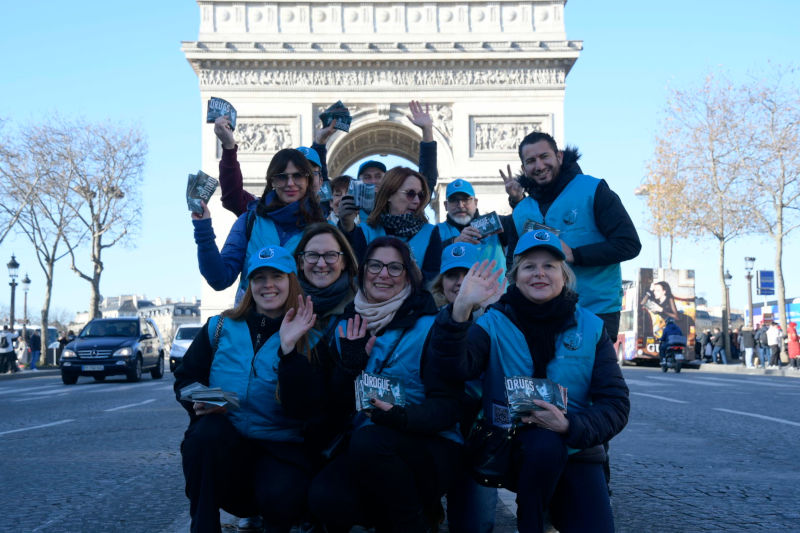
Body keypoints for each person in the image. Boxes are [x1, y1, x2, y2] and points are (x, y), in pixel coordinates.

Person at [428, 229, 630, 533]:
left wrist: (568, 425)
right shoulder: (492, 322)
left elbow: (615, 404)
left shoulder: (591, 327)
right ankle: (531, 521)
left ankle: (550, 509)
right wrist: (460, 311)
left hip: (576, 447)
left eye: (549, 265)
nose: (539, 273)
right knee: (542, 446)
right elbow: (453, 368)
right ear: (515, 276)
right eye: (529, 266)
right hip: (510, 445)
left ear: (564, 274)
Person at [308, 237, 463, 533]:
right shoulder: (344, 325)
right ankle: (390, 516)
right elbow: (334, 407)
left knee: (372, 443)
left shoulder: (432, 323)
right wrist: (349, 367)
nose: (383, 274)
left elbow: (449, 405)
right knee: (325, 496)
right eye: (376, 265)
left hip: (430, 443)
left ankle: (414, 523)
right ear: (363, 271)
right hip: (369, 445)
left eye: (395, 267)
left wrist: (400, 416)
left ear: (409, 275)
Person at [175, 245, 320, 533]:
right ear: (248, 285)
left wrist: (289, 350)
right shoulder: (219, 327)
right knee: (203, 436)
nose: (268, 285)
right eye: (258, 278)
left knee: (279, 498)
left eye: (276, 276)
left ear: (291, 280)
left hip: (281, 450)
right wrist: (213, 399)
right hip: (228, 444)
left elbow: (307, 408)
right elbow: (185, 379)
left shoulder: (311, 337)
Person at [504, 132, 641, 339]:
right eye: (531, 161)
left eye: (544, 157)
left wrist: (575, 254)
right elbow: (513, 264)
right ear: (523, 169)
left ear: (559, 156)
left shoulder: (593, 190)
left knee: (592, 371)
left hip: (595, 309)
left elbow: (629, 244)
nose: (539, 166)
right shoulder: (521, 211)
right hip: (540, 312)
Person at [430, 242, 505, 533]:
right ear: (441, 282)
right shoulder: (426, 319)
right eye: (452, 275)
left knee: (477, 524)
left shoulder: (501, 319)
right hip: (436, 434)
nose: (460, 282)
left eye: (468, 274)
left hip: (481, 439)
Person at [193, 148, 325, 304]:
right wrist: (203, 229)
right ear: (272, 181)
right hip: (252, 323)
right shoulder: (249, 220)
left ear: (309, 180)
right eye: (282, 177)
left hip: (301, 323)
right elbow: (220, 279)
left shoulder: (324, 228)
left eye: (298, 176)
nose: (290, 183)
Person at [338, 167, 442, 283]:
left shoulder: (431, 232)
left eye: (421, 195)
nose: (417, 201)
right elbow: (353, 272)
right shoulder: (365, 231)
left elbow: (433, 280)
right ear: (389, 195)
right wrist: (346, 224)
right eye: (410, 194)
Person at [436, 178, 511, 279]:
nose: (461, 205)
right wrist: (454, 242)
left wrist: (517, 200)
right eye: (454, 200)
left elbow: (521, 227)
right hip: (454, 293)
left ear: (475, 202)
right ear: (445, 205)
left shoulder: (496, 222)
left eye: (466, 199)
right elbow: (424, 259)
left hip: (495, 294)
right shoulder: (435, 231)